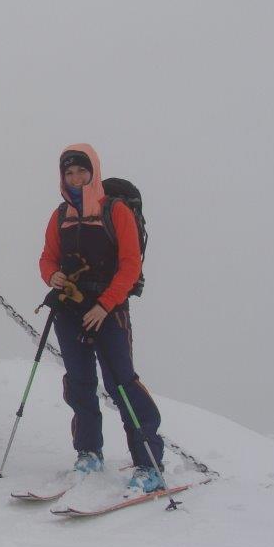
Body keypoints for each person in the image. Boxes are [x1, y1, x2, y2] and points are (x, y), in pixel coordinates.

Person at [39, 143, 164, 492]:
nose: (76, 178)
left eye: (82, 171)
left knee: (121, 383)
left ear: (93, 172)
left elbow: (130, 265)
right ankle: (88, 452)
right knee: (79, 382)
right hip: (71, 308)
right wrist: (52, 276)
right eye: (69, 172)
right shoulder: (60, 215)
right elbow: (47, 258)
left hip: (108, 311)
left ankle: (149, 463)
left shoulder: (115, 211)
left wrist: (105, 305)